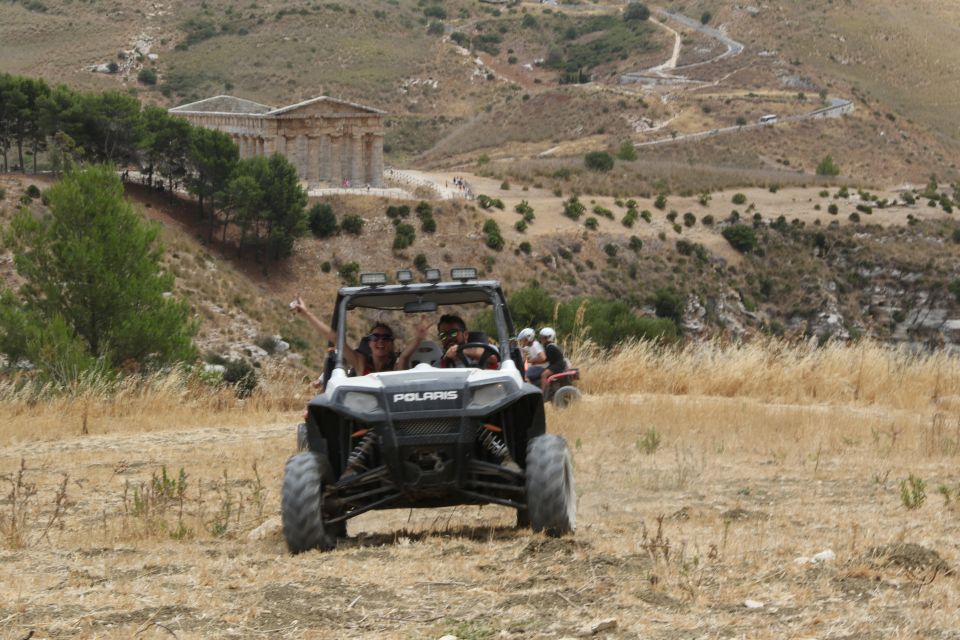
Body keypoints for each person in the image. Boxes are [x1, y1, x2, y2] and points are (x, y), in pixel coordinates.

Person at [290, 296, 428, 375]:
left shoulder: (397, 366)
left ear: (392, 344)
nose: (380, 341)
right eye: (375, 337)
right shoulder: (360, 362)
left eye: (386, 338)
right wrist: (306, 314)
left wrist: (418, 339)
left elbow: (404, 357)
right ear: (369, 342)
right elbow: (335, 338)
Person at [536, 327, 567, 393]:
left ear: (548, 337)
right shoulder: (550, 346)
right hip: (556, 364)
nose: (541, 339)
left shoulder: (550, 347)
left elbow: (546, 359)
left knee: (543, 375)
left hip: (558, 365)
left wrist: (534, 361)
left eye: (542, 337)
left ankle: (543, 392)